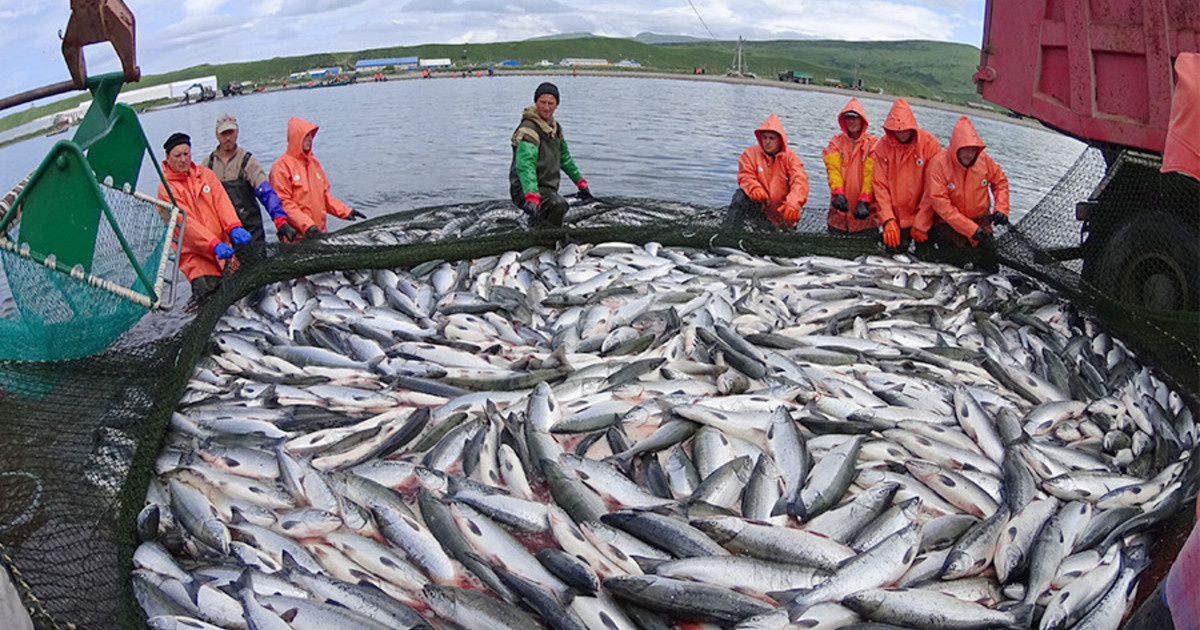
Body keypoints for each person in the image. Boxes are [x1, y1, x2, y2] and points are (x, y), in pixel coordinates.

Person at [156, 132, 251, 300]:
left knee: (240, 298)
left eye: (187, 154)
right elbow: (186, 225)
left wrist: (234, 226)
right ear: (167, 157)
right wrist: (213, 244)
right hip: (196, 259)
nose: (183, 159)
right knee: (209, 304)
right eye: (178, 155)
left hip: (225, 250)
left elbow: (223, 204)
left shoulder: (206, 175)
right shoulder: (165, 190)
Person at [916, 115, 1010, 250]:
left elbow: (1000, 182)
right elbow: (941, 204)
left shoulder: (984, 160)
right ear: (955, 147)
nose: (969, 154)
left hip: (982, 225)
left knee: (990, 268)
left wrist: (1002, 209)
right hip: (949, 227)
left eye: (972, 149)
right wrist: (970, 229)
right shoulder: (938, 164)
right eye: (964, 149)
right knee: (950, 265)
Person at [509, 82, 593, 227]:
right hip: (525, 189)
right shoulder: (529, 130)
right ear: (536, 102)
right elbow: (525, 165)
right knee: (558, 205)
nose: (546, 107)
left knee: (561, 206)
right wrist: (531, 195)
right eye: (542, 102)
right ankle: (546, 240)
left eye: (550, 103)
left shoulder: (556, 129)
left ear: (556, 105)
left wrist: (580, 183)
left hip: (546, 189)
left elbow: (565, 158)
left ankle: (540, 229)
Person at [203, 113, 297, 243]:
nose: (228, 138)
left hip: (251, 231)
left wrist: (280, 220)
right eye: (224, 134)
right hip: (223, 234)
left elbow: (265, 192)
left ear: (237, 132)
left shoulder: (248, 161)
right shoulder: (208, 164)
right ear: (217, 135)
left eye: (231, 132)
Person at [269, 117, 365, 239]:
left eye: (311, 135)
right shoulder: (281, 167)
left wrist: (345, 212)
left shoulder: (314, 164)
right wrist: (307, 226)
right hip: (296, 239)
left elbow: (324, 197)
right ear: (297, 137)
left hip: (319, 233)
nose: (310, 139)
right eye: (306, 136)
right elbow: (284, 203)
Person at [870, 98, 942, 252]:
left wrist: (922, 223)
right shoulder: (883, 145)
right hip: (896, 219)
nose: (900, 132)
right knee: (891, 255)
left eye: (904, 128)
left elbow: (934, 188)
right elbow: (879, 185)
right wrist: (888, 219)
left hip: (925, 219)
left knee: (927, 256)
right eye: (895, 128)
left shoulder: (930, 144)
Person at [726, 114, 809, 231]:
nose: (767, 142)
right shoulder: (750, 154)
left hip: (783, 215)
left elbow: (800, 182)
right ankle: (731, 232)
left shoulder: (791, 158)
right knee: (740, 196)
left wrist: (793, 203)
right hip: (759, 211)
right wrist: (754, 188)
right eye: (764, 137)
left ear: (780, 139)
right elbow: (745, 175)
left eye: (771, 138)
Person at [822, 98, 878, 234]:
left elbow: (871, 175)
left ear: (862, 120)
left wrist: (865, 200)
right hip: (838, 216)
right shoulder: (835, 142)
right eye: (848, 118)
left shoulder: (873, 144)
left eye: (855, 118)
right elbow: (833, 170)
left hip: (865, 217)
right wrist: (838, 193)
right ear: (843, 120)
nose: (852, 121)